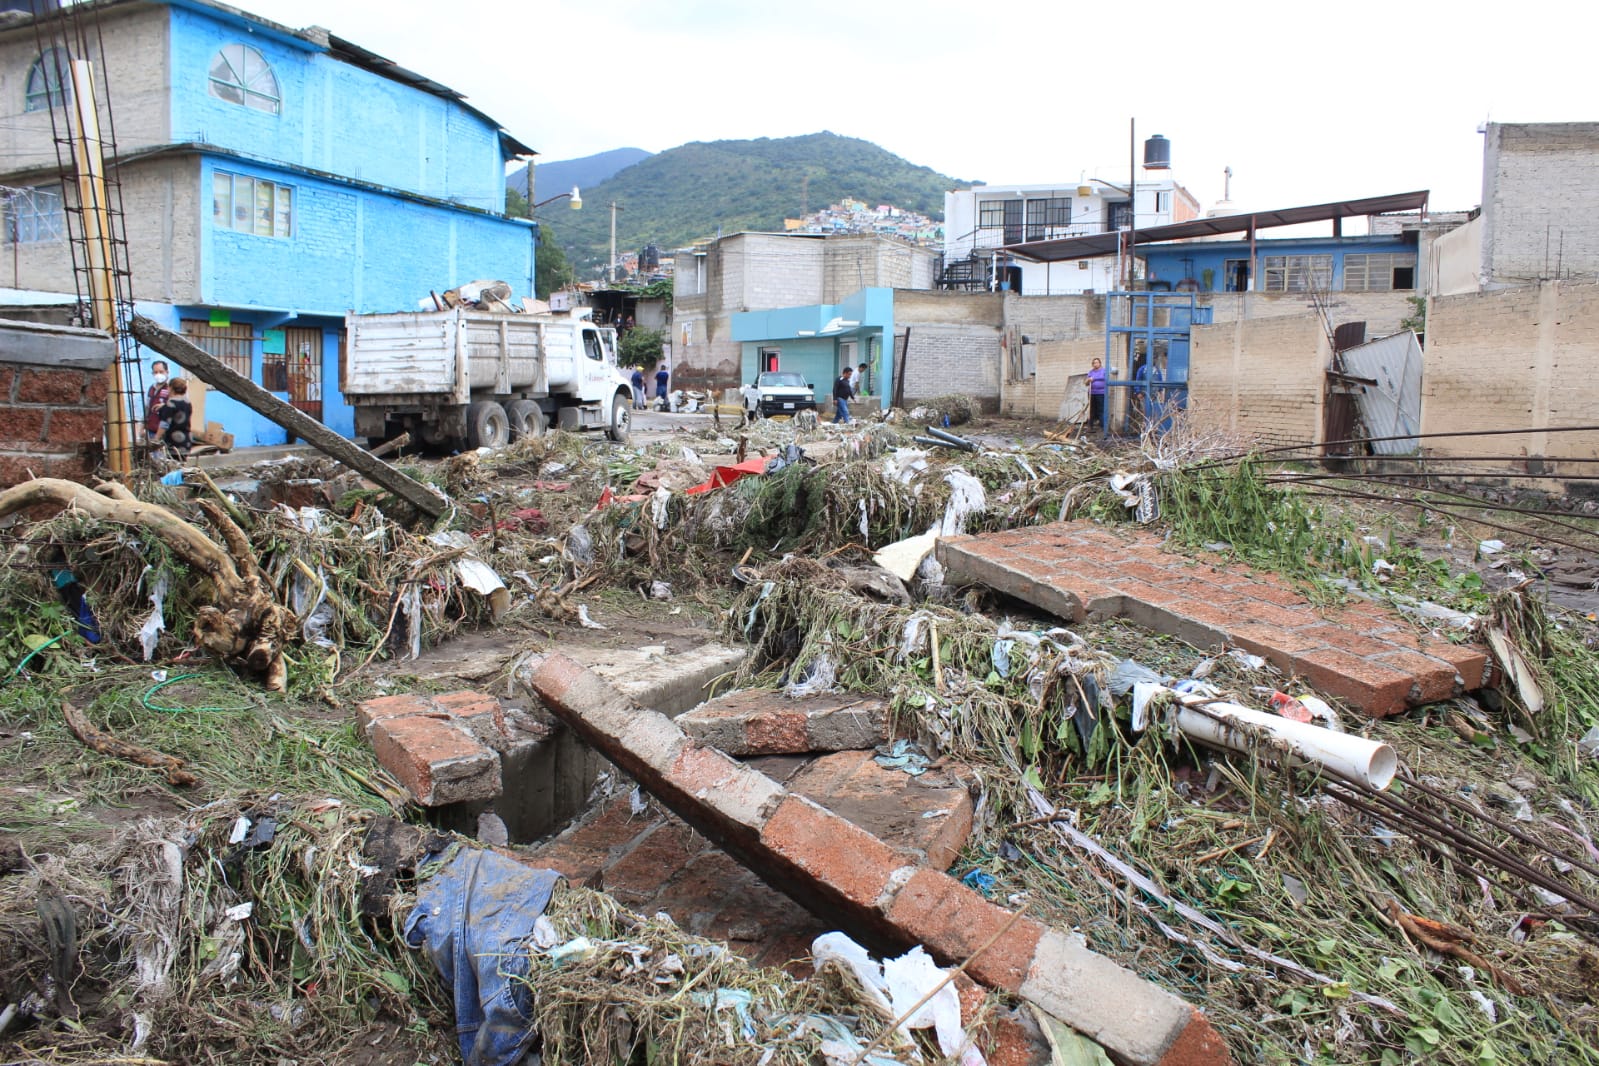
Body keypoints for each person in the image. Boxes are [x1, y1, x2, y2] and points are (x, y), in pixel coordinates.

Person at [159, 377, 194, 459]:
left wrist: (156, 438)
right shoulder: (187, 403)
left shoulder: (170, 404)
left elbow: (164, 424)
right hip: (186, 441)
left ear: (171, 388)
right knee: (182, 467)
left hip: (173, 444)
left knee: (173, 467)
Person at [144, 360, 171, 444]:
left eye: (161, 371)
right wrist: (143, 427)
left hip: (167, 432)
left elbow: (179, 407)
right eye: (155, 372)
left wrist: (165, 405)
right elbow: (147, 408)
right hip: (151, 429)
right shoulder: (152, 388)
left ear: (167, 372)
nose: (158, 374)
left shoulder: (172, 387)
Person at [1086, 357, 1107, 430]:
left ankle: (1103, 427)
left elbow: (1105, 379)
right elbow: (1086, 383)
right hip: (1092, 393)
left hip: (1101, 393)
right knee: (1091, 410)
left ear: (1100, 363)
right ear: (1092, 364)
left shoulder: (1104, 371)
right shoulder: (1091, 372)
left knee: (1101, 410)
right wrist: (1088, 380)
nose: (1095, 364)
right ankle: (1090, 426)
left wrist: (1094, 379)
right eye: (1094, 363)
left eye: (1097, 362)